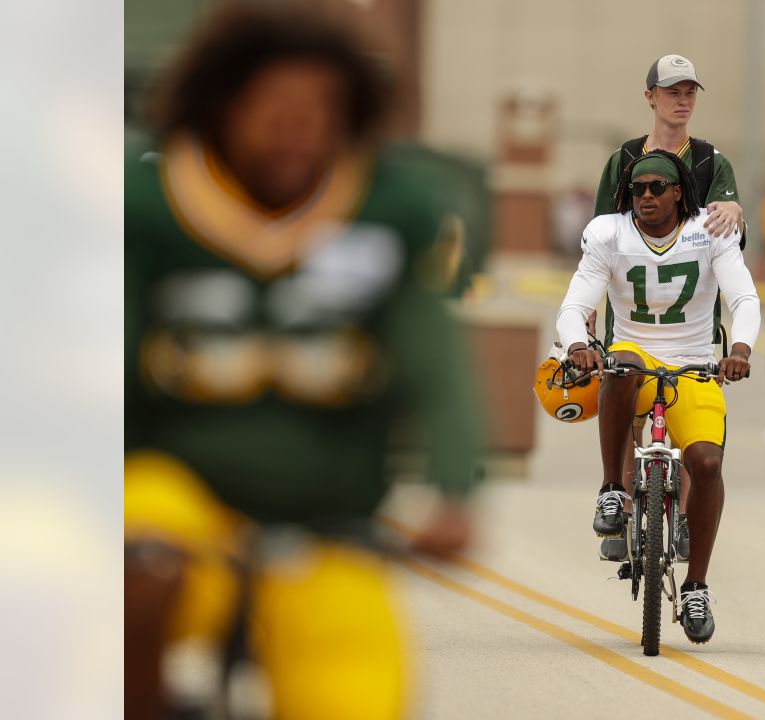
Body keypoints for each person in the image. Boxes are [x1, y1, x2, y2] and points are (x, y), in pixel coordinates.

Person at [124, 5, 482, 718]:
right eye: (274, 106)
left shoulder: (386, 212)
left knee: (357, 698)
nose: (298, 126)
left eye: (321, 109)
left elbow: (433, 355)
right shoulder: (152, 207)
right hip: (177, 500)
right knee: (137, 565)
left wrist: (453, 487)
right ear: (222, 106)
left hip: (328, 525)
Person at [556, 150, 760, 644]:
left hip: (694, 361)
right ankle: (612, 488)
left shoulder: (707, 231)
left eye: (655, 188)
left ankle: (696, 586)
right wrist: (579, 344)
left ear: (678, 192)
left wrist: (739, 349)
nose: (644, 197)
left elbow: (744, 299)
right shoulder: (610, 233)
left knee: (708, 464)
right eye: (637, 189)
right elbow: (573, 305)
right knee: (621, 365)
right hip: (634, 355)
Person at [589, 54, 744, 564]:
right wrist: (587, 311)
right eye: (672, 91)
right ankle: (626, 508)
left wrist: (736, 210)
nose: (682, 100)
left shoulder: (710, 160)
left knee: (688, 431)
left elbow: (729, 234)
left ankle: (683, 525)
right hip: (631, 315)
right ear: (650, 95)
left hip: (691, 324)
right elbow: (602, 238)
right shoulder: (625, 159)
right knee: (632, 419)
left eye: (689, 92)